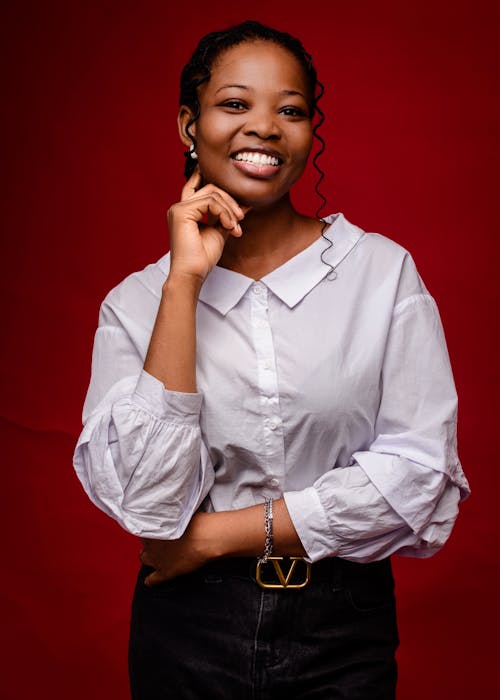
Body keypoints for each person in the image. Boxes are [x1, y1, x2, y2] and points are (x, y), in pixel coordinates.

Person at [73, 20, 470, 699]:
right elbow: (148, 506)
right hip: (188, 631)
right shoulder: (138, 303)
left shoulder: (380, 273)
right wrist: (183, 285)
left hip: (343, 624)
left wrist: (215, 537)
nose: (265, 127)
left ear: (309, 131)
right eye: (235, 104)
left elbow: (419, 476)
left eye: (290, 110)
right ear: (187, 123)